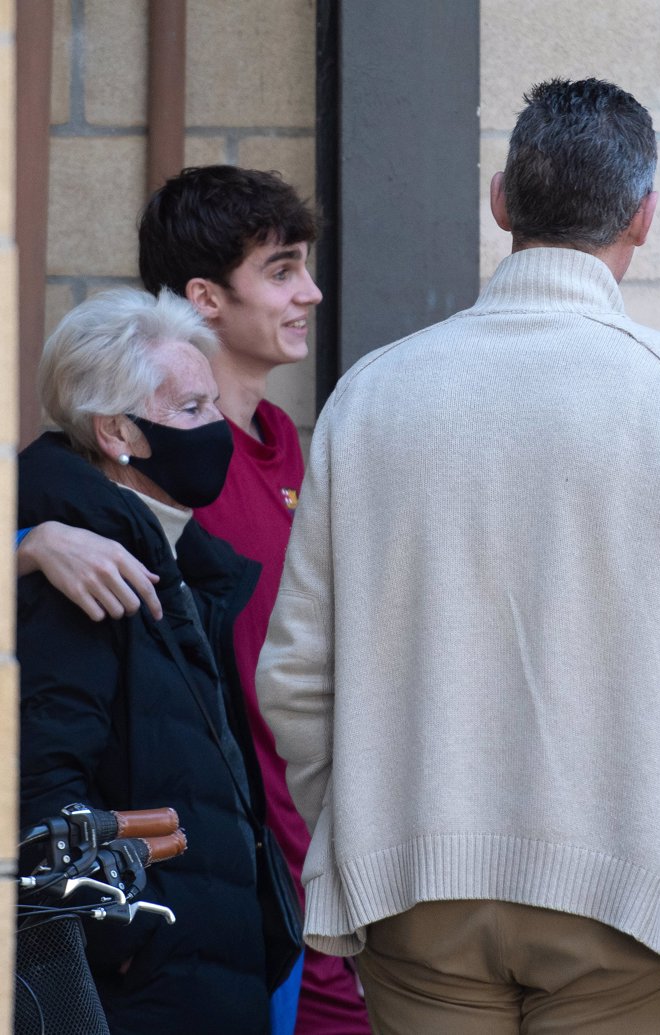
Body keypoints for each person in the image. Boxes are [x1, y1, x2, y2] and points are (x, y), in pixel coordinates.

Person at [255, 78, 660, 1035]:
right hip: (628, 902)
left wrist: (371, 825)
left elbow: (292, 675)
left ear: (500, 199)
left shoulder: (372, 393)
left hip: (413, 891)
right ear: (646, 218)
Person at [18, 166, 372, 1035]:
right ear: (118, 432)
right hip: (160, 962)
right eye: (281, 269)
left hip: (254, 923)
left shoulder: (198, 537)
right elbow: (47, 786)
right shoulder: (84, 553)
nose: (310, 292)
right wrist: (26, 546)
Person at [18, 288, 270, 1034]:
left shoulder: (176, 560)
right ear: (117, 430)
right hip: (142, 991)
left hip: (200, 976)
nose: (217, 429)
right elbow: (45, 781)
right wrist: (129, 940)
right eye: (192, 410)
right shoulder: (84, 569)